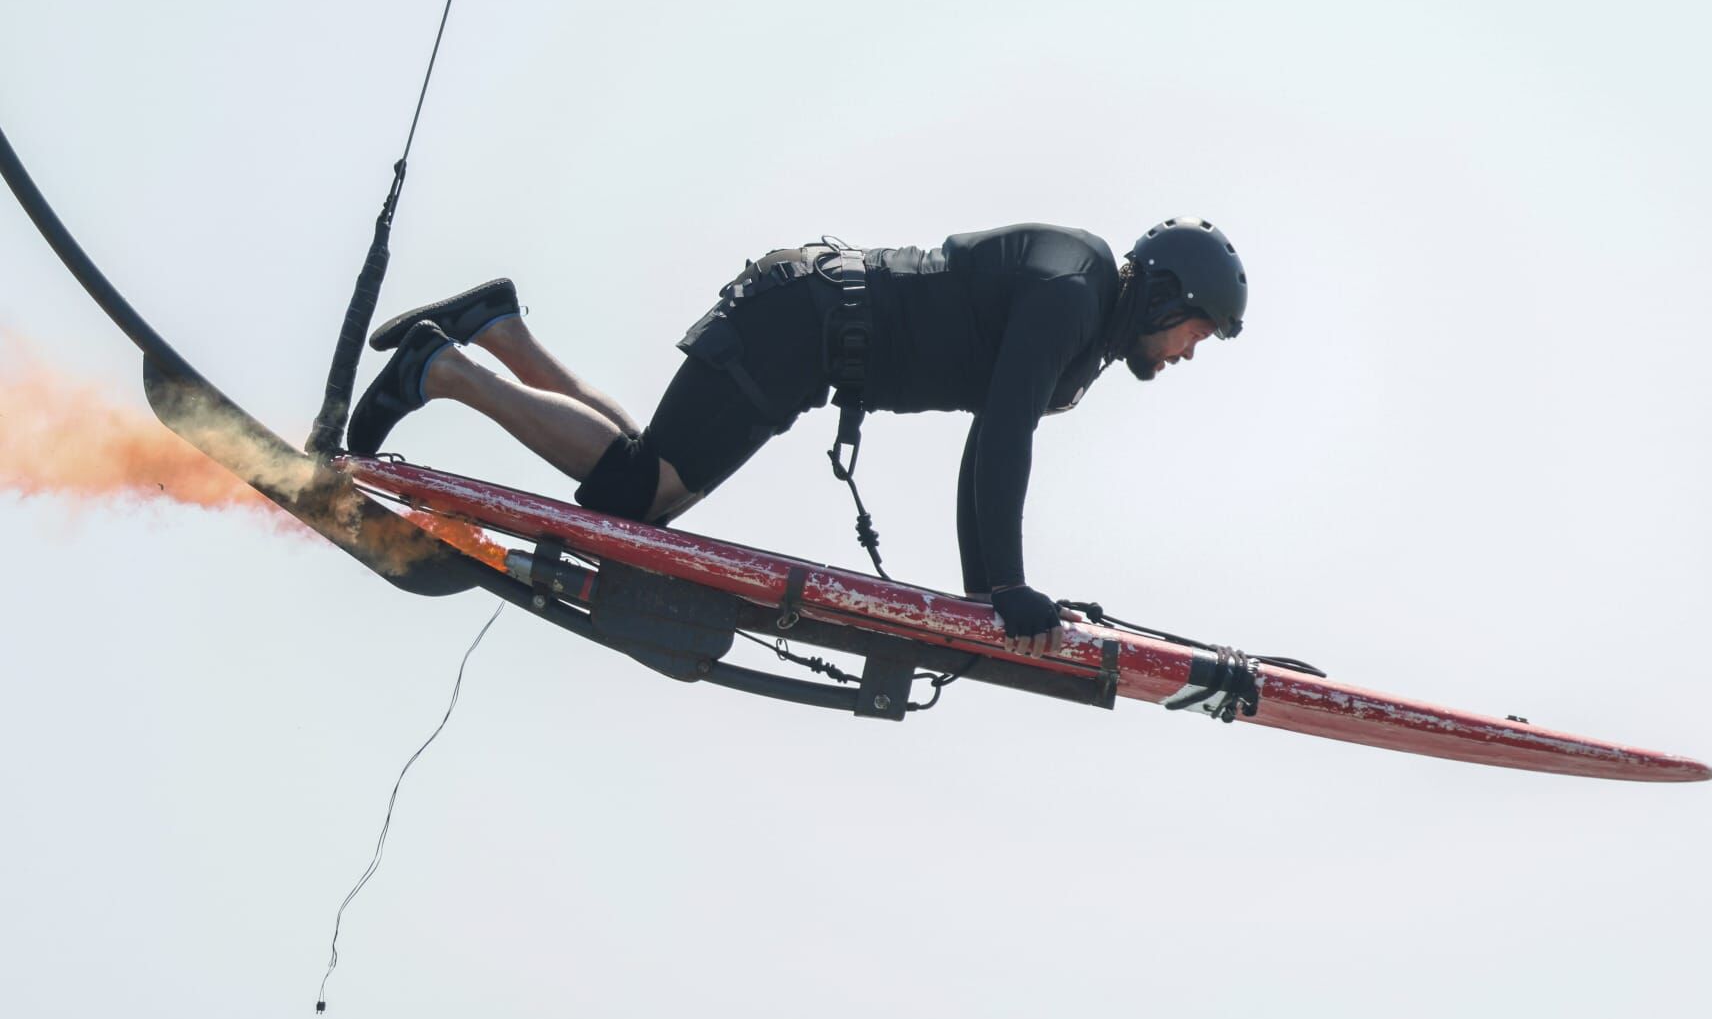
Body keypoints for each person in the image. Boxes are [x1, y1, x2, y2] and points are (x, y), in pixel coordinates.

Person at [346, 219, 1247, 657]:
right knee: (637, 497)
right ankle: (442, 368)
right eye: (1195, 334)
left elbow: (996, 431)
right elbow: (1000, 434)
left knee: (642, 482)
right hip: (802, 325)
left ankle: (497, 328)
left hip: (807, 332)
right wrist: (1001, 591)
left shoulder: (1085, 328)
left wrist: (989, 596)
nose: (1185, 355)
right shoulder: (1076, 287)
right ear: (1168, 294)